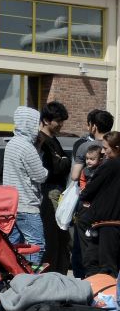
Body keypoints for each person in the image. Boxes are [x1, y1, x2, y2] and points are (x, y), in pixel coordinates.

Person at [70, 109, 114, 277]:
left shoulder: (85, 147)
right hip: (109, 205)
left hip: (87, 205)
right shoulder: (114, 148)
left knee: (83, 244)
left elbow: (75, 175)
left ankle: (84, 278)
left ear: (93, 126)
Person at [3, 107, 48, 264]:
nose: (39, 127)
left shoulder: (11, 144)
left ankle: (12, 278)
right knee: (37, 246)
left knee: (12, 246)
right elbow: (40, 175)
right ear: (30, 124)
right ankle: (29, 280)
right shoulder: (26, 147)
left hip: (11, 205)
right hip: (27, 205)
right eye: (37, 123)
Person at [35, 102, 71, 272]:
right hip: (49, 193)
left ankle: (59, 272)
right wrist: (64, 161)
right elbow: (56, 167)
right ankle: (53, 273)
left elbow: (63, 162)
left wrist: (63, 161)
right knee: (53, 236)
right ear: (47, 120)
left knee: (61, 237)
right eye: (58, 121)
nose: (61, 124)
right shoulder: (41, 141)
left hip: (57, 191)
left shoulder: (53, 139)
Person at [80, 131, 120, 275]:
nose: (103, 152)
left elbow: (89, 190)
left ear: (116, 147)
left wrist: (84, 196)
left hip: (107, 223)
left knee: (101, 265)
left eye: (106, 148)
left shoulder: (109, 166)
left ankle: (102, 296)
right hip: (110, 223)